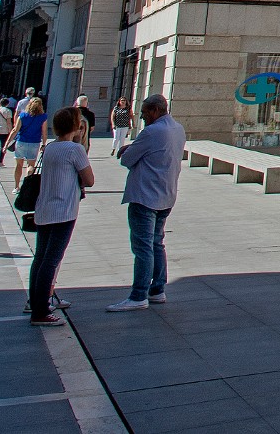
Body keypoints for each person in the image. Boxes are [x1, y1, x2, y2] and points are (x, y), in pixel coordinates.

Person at [107, 95, 184, 312]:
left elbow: (126, 160)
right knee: (157, 243)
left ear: (155, 110)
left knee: (143, 246)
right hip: (166, 193)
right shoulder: (178, 129)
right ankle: (157, 289)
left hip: (145, 195)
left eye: (144, 112)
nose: (142, 116)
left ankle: (139, 294)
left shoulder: (151, 132)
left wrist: (129, 150)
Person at [27, 108, 94, 326]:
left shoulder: (50, 147)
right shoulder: (75, 150)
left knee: (40, 258)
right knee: (51, 261)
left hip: (44, 209)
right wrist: (80, 140)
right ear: (76, 126)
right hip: (63, 211)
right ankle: (41, 311)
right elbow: (89, 180)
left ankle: (35, 303)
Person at [10, 98, 47, 190]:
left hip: (21, 141)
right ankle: (26, 186)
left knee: (19, 165)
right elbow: (44, 132)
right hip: (34, 143)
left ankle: (16, 187)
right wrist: (44, 144)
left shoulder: (23, 115)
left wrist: (7, 143)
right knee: (30, 165)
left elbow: (15, 130)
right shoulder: (43, 117)